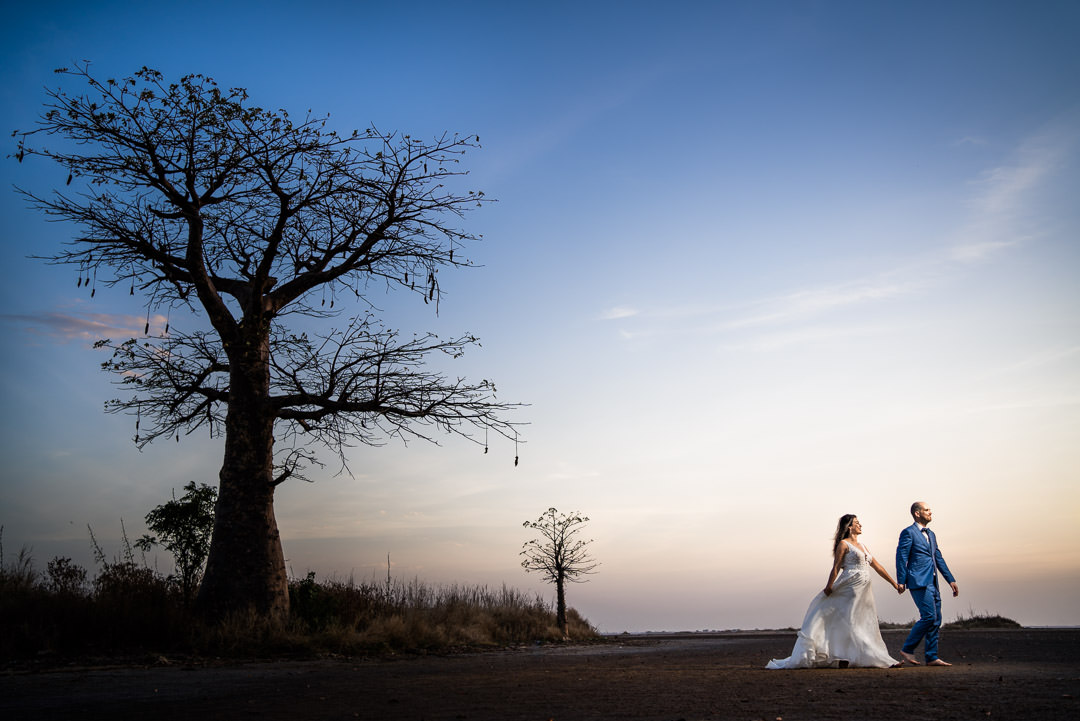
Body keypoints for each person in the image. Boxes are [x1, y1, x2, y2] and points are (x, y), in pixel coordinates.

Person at [767, 514, 904, 669]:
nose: (861, 525)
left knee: (864, 621)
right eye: (857, 523)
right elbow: (836, 567)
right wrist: (829, 586)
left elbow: (877, 566)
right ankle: (876, 659)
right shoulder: (843, 545)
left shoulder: (864, 546)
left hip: (864, 590)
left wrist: (894, 584)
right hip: (850, 586)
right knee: (852, 621)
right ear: (849, 527)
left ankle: (858, 657)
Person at [896, 501, 958, 666]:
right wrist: (901, 581)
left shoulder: (931, 534)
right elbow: (901, 557)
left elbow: (938, 557)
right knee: (929, 616)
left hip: (933, 582)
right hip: (918, 580)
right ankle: (907, 649)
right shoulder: (908, 533)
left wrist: (950, 579)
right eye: (927, 510)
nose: (931, 512)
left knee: (936, 619)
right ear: (917, 513)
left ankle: (931, 657)